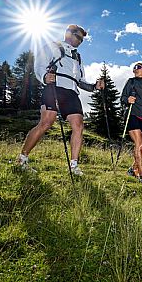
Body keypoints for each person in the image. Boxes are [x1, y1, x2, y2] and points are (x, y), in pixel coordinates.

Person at [17, 24, 104, 175]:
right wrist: (44, 77)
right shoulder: (53, 46)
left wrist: (94, 86)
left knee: (78, 126)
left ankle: (74, 166)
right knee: (46, 123)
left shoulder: (77, 56)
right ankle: (22, 158)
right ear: (68, 33)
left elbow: (80, 80)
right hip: (54, 87)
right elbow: (39, 65)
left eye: (82, 40)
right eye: (78, 37)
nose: (79, 41)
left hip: (72, 92)